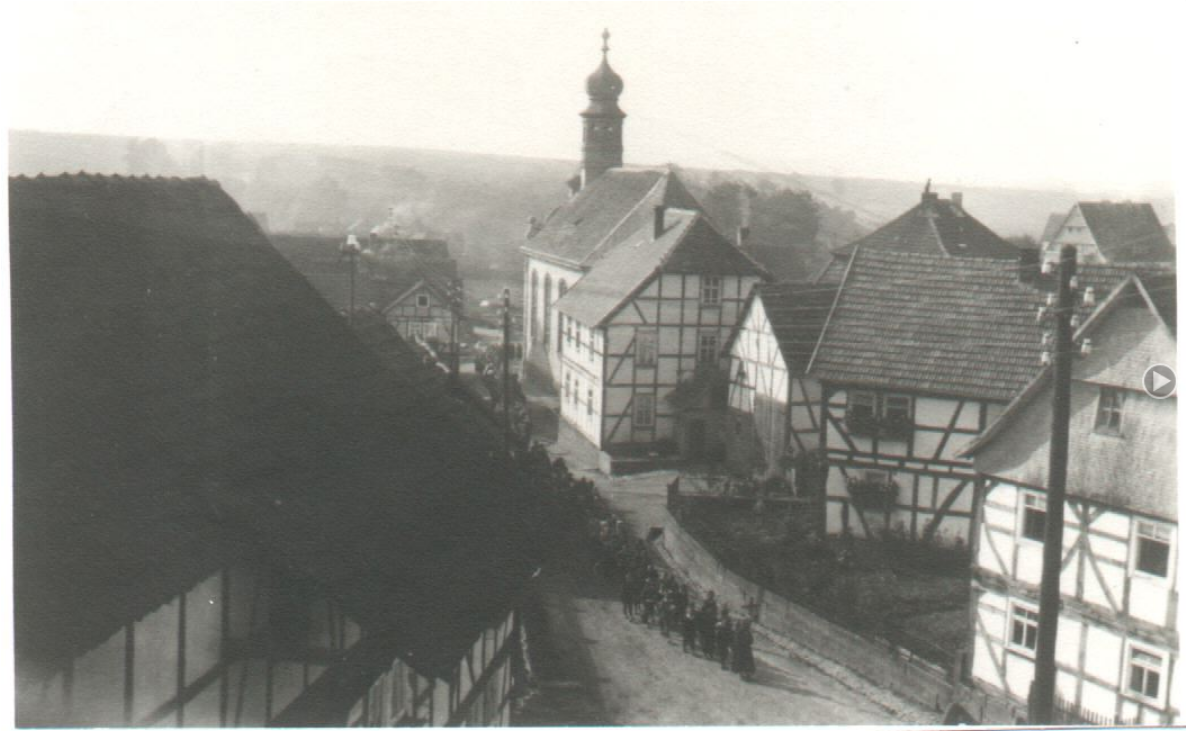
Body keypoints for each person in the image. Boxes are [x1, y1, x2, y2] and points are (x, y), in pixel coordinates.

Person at [698, 591, 718, 659]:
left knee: (710, 639)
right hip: (705, 622)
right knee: (705, 638)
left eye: (712, 595)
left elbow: (715, 613)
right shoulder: (705, 602)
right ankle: (705, 652)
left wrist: (714, 619)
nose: (711, 597)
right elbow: (701, 611)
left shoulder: (714, 604)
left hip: (711, 623)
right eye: (710, 595)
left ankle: (710, 652)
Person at [716, 606, 734, 670]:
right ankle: (723, 663)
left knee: (723, 651)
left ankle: (723, 663)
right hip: (722, 637)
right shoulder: (721, 619)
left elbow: (730, 628)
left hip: (724, 637)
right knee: (723, 650)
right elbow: (717, 626)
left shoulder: (727, 619)